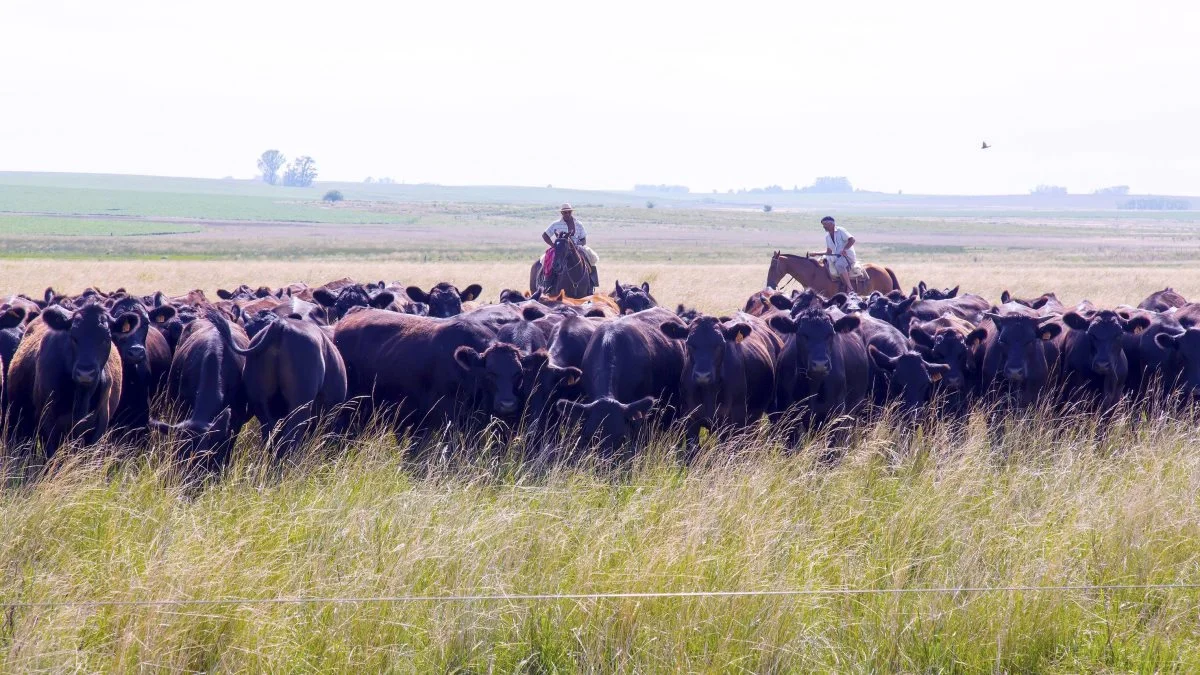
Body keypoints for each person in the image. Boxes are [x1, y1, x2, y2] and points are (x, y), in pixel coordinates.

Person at [542, 203, 599, 289]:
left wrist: (577, 246)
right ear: (562, 213)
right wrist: (553, 245)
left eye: (569, 212)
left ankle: (591, 284)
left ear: (571, 212)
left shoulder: (578, 224)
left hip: (576, 247)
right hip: (560, 248)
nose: (567, 214)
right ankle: (548, 284)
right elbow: (545, 235)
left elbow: (583, 239)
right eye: (565, 212)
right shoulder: (556, 224)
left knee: (592, 257)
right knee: (547, 260)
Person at [818, 216, 856, 292]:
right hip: (836, 257)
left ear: (831, 224)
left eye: (825, 224)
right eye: (823, 225)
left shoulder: (840, 230)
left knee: (839, 265)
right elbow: (829, 252)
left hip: (846, 256)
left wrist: (845, 249)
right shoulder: (827, 237)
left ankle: (849, 287)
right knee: (823, 263)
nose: (824, 227)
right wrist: (816, 253)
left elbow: (852, 240)